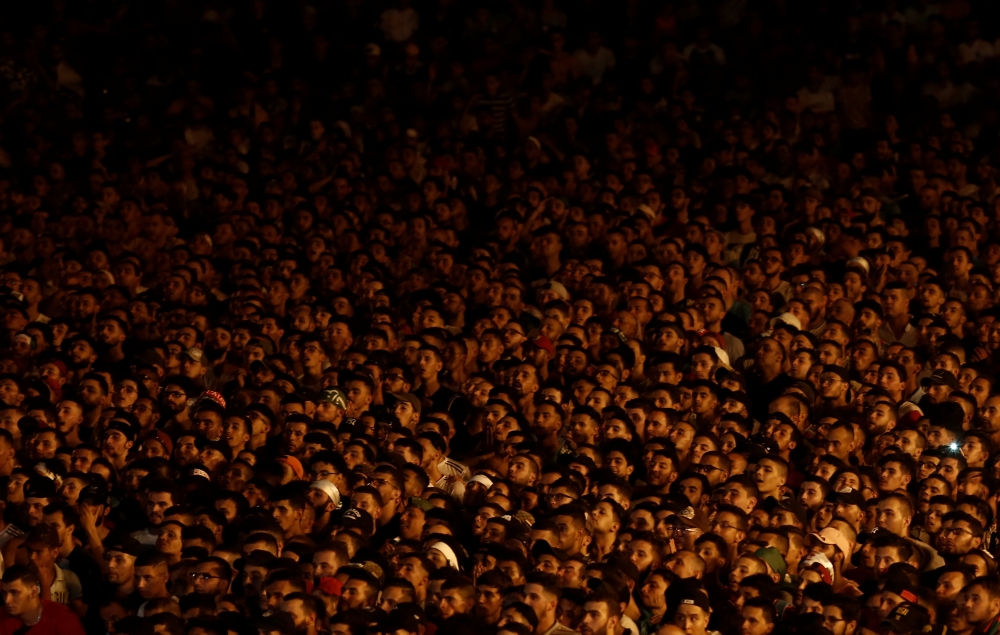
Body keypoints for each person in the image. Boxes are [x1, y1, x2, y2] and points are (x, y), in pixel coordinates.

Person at [0, 565, 85, 635]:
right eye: (4, 593)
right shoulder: (2, 616)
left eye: (15, 592)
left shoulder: (64, 619)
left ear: (34, 592)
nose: (7, 600)